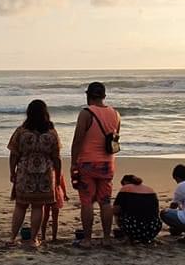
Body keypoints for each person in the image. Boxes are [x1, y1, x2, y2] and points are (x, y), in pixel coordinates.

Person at [70, 81, 120, 246]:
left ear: (88, 95)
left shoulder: (86, 113)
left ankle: (87, 239)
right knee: (105, 201)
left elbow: (77, 140)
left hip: (88, 162)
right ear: (104, 96)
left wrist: (73, 163)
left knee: (87, 201)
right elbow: (114, 138)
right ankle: (106, 238)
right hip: (107, 163)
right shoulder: (115, 114)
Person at [7, 99, 63, 247]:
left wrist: (12, 171)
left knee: (20, 206)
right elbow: (56, 157)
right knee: (38, 207)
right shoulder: (51, 133)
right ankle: (33, 239)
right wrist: (57, 177)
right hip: (44, 173)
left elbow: (14, 154)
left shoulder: (21, 132)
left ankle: (12, 238)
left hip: (25, 171)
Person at [113, 174, 162, 244]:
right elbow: (156, 211)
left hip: (135, 228)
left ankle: (129, 237)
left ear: (125, 182)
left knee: (117, 212)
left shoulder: (125, 188)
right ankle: (148, 237)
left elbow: (115, 210)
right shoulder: (150, 190)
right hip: (153, 228)